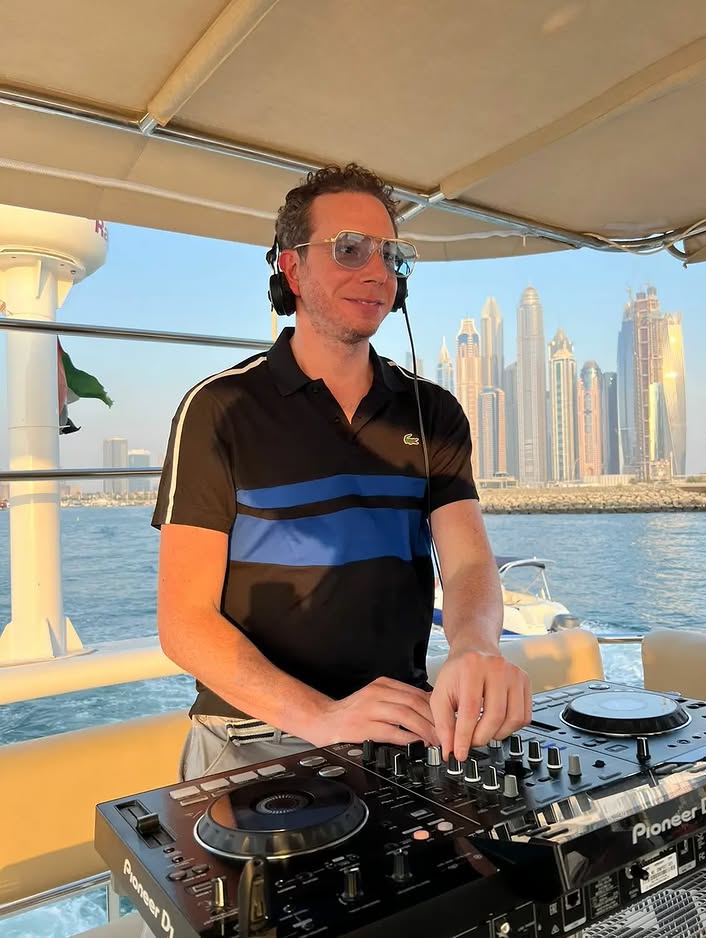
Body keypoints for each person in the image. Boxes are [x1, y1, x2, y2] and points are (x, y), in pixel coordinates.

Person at [152, 162, 531, 787]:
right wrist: (322, 717)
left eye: (390, 255)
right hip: (254, 740)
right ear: (291, 268)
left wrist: (475, 648)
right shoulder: (219, 410)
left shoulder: (433, 412)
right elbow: (184, 622)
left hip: (399, 729)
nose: (377, 272)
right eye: (350, 249)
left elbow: (467, 565)